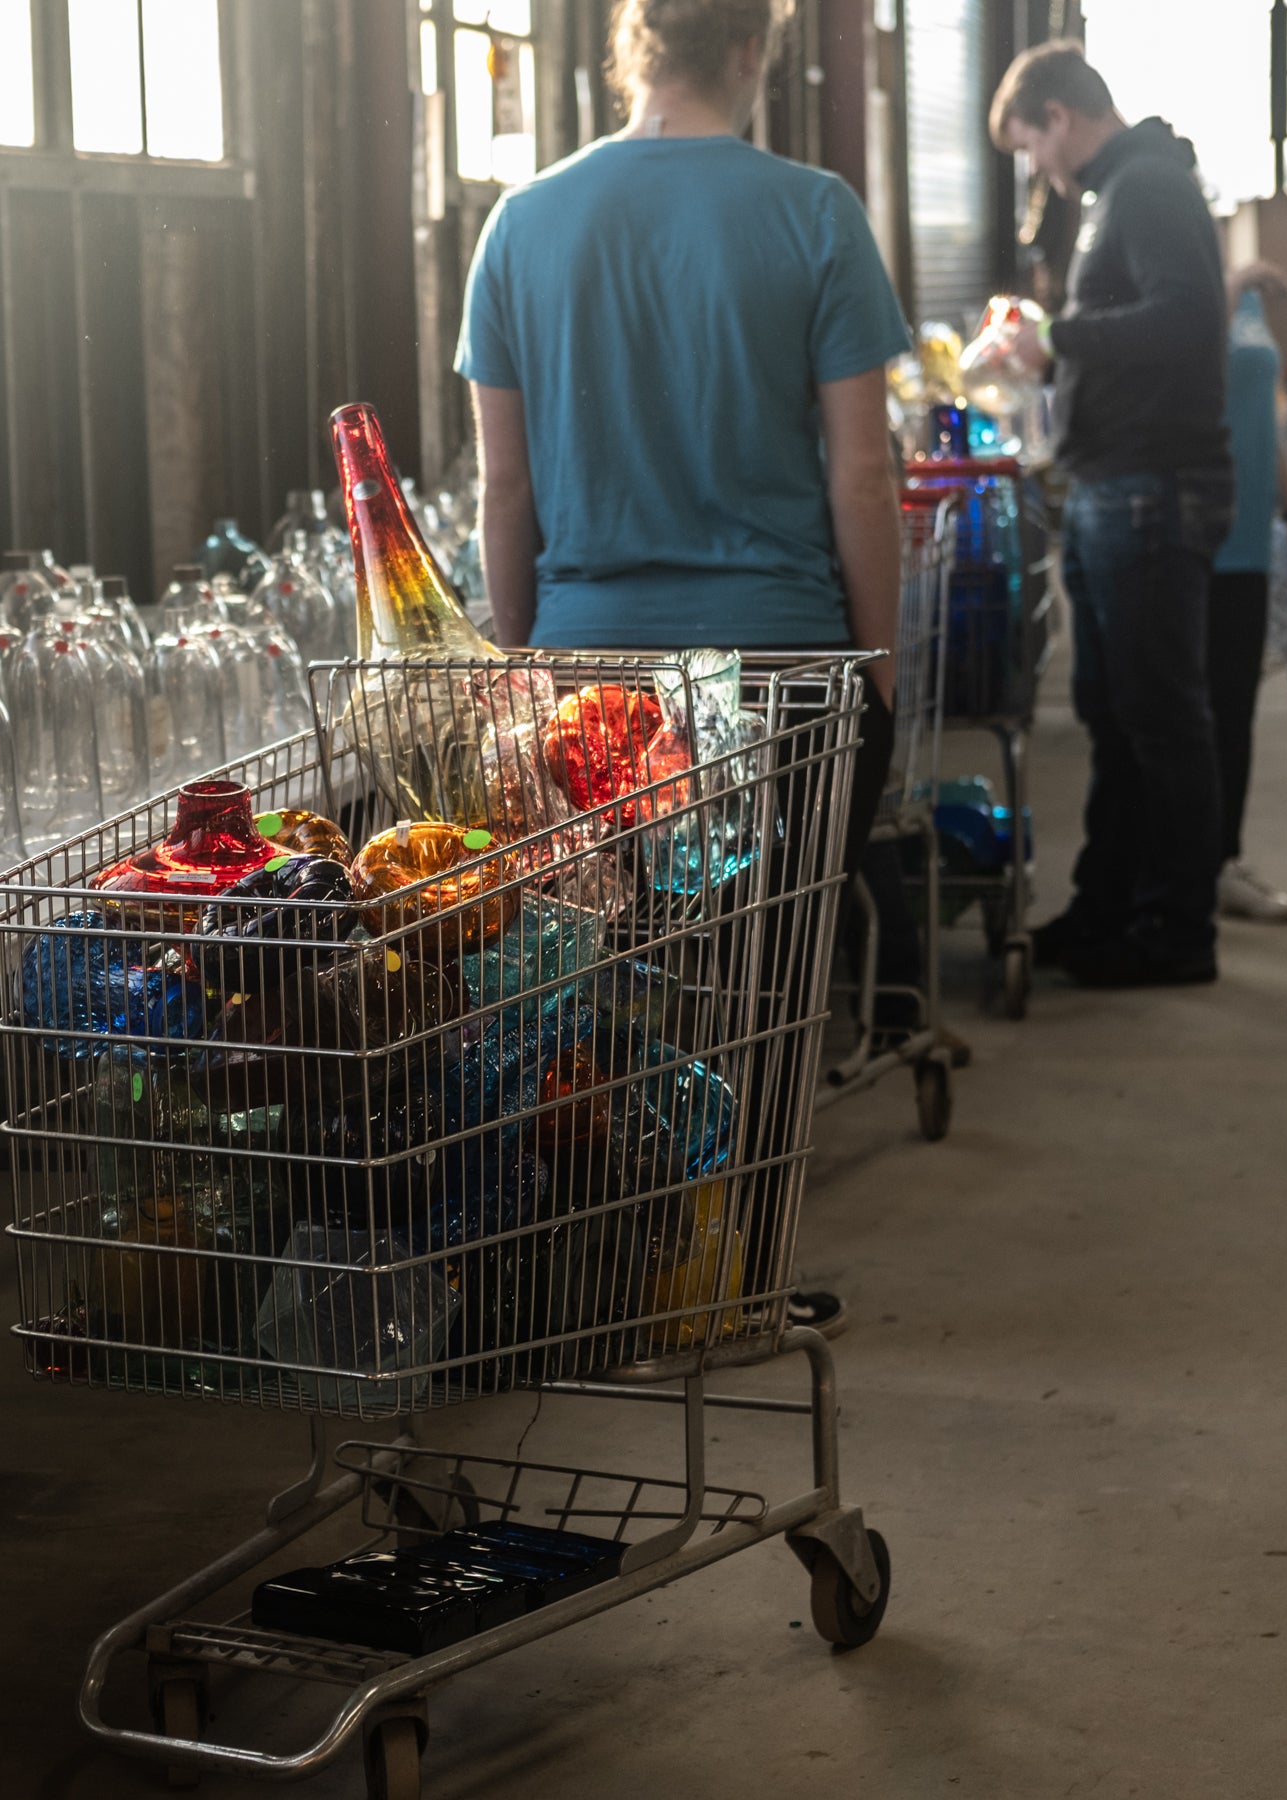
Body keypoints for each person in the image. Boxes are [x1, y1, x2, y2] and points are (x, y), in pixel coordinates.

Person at [456, 0, 912, 1337]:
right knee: (763, 992)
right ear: (754, 53)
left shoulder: (522, 225)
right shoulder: (813, 214)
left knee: (597, 977)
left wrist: (528, 668)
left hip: (598, 679)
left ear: (632, 48)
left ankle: (596, 1250)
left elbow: (505, 484)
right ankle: (728, 1273)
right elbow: (862, 472)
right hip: (780, 664)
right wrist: (878, 668)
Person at [989, 42, 1234, 987]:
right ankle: (1109, 907)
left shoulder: (1150, 189)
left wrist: (1058, 341)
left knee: (1160, 715)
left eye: (1029, 146)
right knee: (1115, 713)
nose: (1034, 169)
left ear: (1058, 115)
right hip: (1112, 486)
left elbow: (1185, 318)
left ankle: (1177, 929)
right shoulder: (1111, 198)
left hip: (1151, 489)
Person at [1209, 261, 1287, 924]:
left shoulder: (1247, 298)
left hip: (1250, 536)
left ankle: (1222, 860)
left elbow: (1261, 420)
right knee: (1197, 710)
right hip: (1199, 531)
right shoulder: (1188, 289)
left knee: (1233, 705)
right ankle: (1194, 863)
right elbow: (1193, 359)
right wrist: (1227, 286)